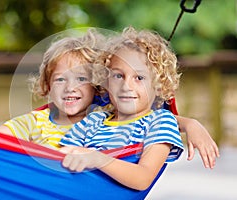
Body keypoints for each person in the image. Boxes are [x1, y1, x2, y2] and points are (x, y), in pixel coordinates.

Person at [0, 28, 219, 168]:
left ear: (97, 86)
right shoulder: (36, 121)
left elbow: (150, 115)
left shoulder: (102, 113)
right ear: (47, 86)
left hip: (68, 181)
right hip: (21, 174)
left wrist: (190, 124)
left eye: (81, 79)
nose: (70, 88)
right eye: (60, 79)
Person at [59, 27, 186, 190]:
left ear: (159, 86)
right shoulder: (93, 120)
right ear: (106, 81)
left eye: (139, 78)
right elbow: (62, 156)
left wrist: (97, 158)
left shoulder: (160, 122)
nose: (126, 86)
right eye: (118, 76)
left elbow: (143, 178)